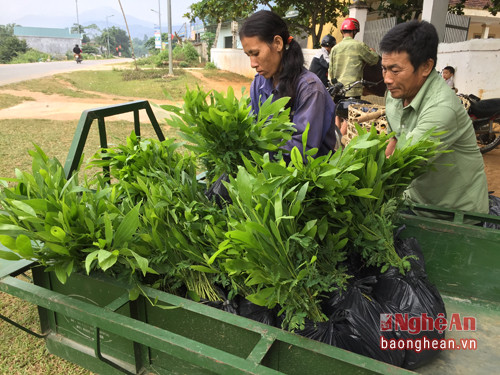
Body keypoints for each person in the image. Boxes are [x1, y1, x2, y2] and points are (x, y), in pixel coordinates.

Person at [381, 20, 488, 215]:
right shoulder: (395, 93)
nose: (387, 78)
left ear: (425, 66)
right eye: (384, 69)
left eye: (395, 71)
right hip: (414, 201)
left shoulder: (442, 108)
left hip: (451, 215)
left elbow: (403, 163)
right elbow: (394, 139)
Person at [239, 10, 337, 159]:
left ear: (278, 43)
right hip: (271, 167)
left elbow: (302, 150)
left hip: (307, 175)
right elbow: (251, 125)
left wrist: (256, 152)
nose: (252, 64)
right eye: (248, 55)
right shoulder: (259, 83)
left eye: (256, 53)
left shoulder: (310, 89)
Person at [328, 18, 379, 135]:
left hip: (337, 89)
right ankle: (340, 142)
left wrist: (333, 84)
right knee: (350, 116)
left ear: (342, 32)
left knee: (338, 114)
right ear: (354, 31)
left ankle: (335, 138)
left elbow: (330, 70)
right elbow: (373, 60)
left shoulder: (335, 48)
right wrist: (373, 52)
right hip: (352, 89)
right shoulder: (359, 46)